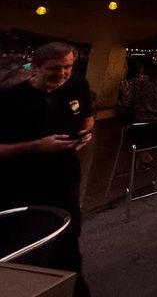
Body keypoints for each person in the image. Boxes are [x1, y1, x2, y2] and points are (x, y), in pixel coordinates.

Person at [0, 42, 94, 297]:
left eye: (68, 67)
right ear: (35, 68)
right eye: (55, 68)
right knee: (27, 249)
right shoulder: (10, 99)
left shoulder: (77, 85)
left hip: (66, 181)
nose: (62, 73)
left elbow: (88, 115)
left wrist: (87, 131)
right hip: (22, 187)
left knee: (68, 242)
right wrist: (36, 146)